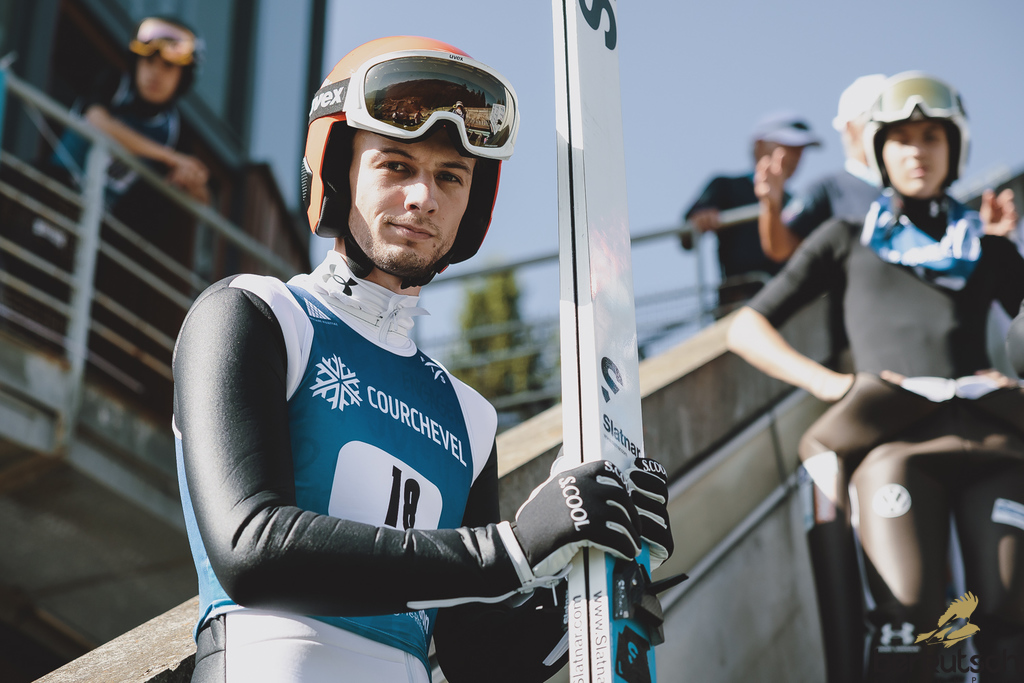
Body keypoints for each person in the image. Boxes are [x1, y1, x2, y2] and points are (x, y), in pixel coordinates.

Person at [173, 36, 674, 683]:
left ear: (473, 205)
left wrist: (587, 591)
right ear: (335, 173)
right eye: (395, 165)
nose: (423, 197)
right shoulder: (255, 315)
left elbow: (474, 660)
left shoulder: (469, 417)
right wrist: (511, 548)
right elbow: (252, 550)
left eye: (450, 177)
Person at [727, 72, 1024, 682]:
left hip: (995, 442)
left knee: (1007, 617)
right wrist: (833, 385)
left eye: (932, 137)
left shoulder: (989, 247)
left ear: (955, 147)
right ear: (878, 150)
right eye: (901, 139)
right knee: (906, 619)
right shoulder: (846, 238)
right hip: (894, 444)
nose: (917, 152)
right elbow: (745, 328)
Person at [56, 16, 209, 206]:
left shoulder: (174, 129)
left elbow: (202, 200)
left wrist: (192, 181)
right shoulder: (114, 83)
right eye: (149, 61)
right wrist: (169, 157)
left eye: (168, 66)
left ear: (183, 77)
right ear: (136, 62)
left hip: (100, 214)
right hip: (54, 185)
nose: (155, 73)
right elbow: (97, 120)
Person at [682, 112, 820, 312]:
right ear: (759, 145)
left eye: (800, 150)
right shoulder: (725, 186)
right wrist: (701, 219)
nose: (795, 156)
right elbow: (686, 236)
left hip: (791, 307)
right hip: (740, 307)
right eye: (788, 146)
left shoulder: (800, 203)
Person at [755, 75, 887, 263]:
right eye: (875, 119)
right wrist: (771, 207)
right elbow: (781, 248)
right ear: (850, 128)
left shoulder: (908, 188)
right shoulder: (827, 189)